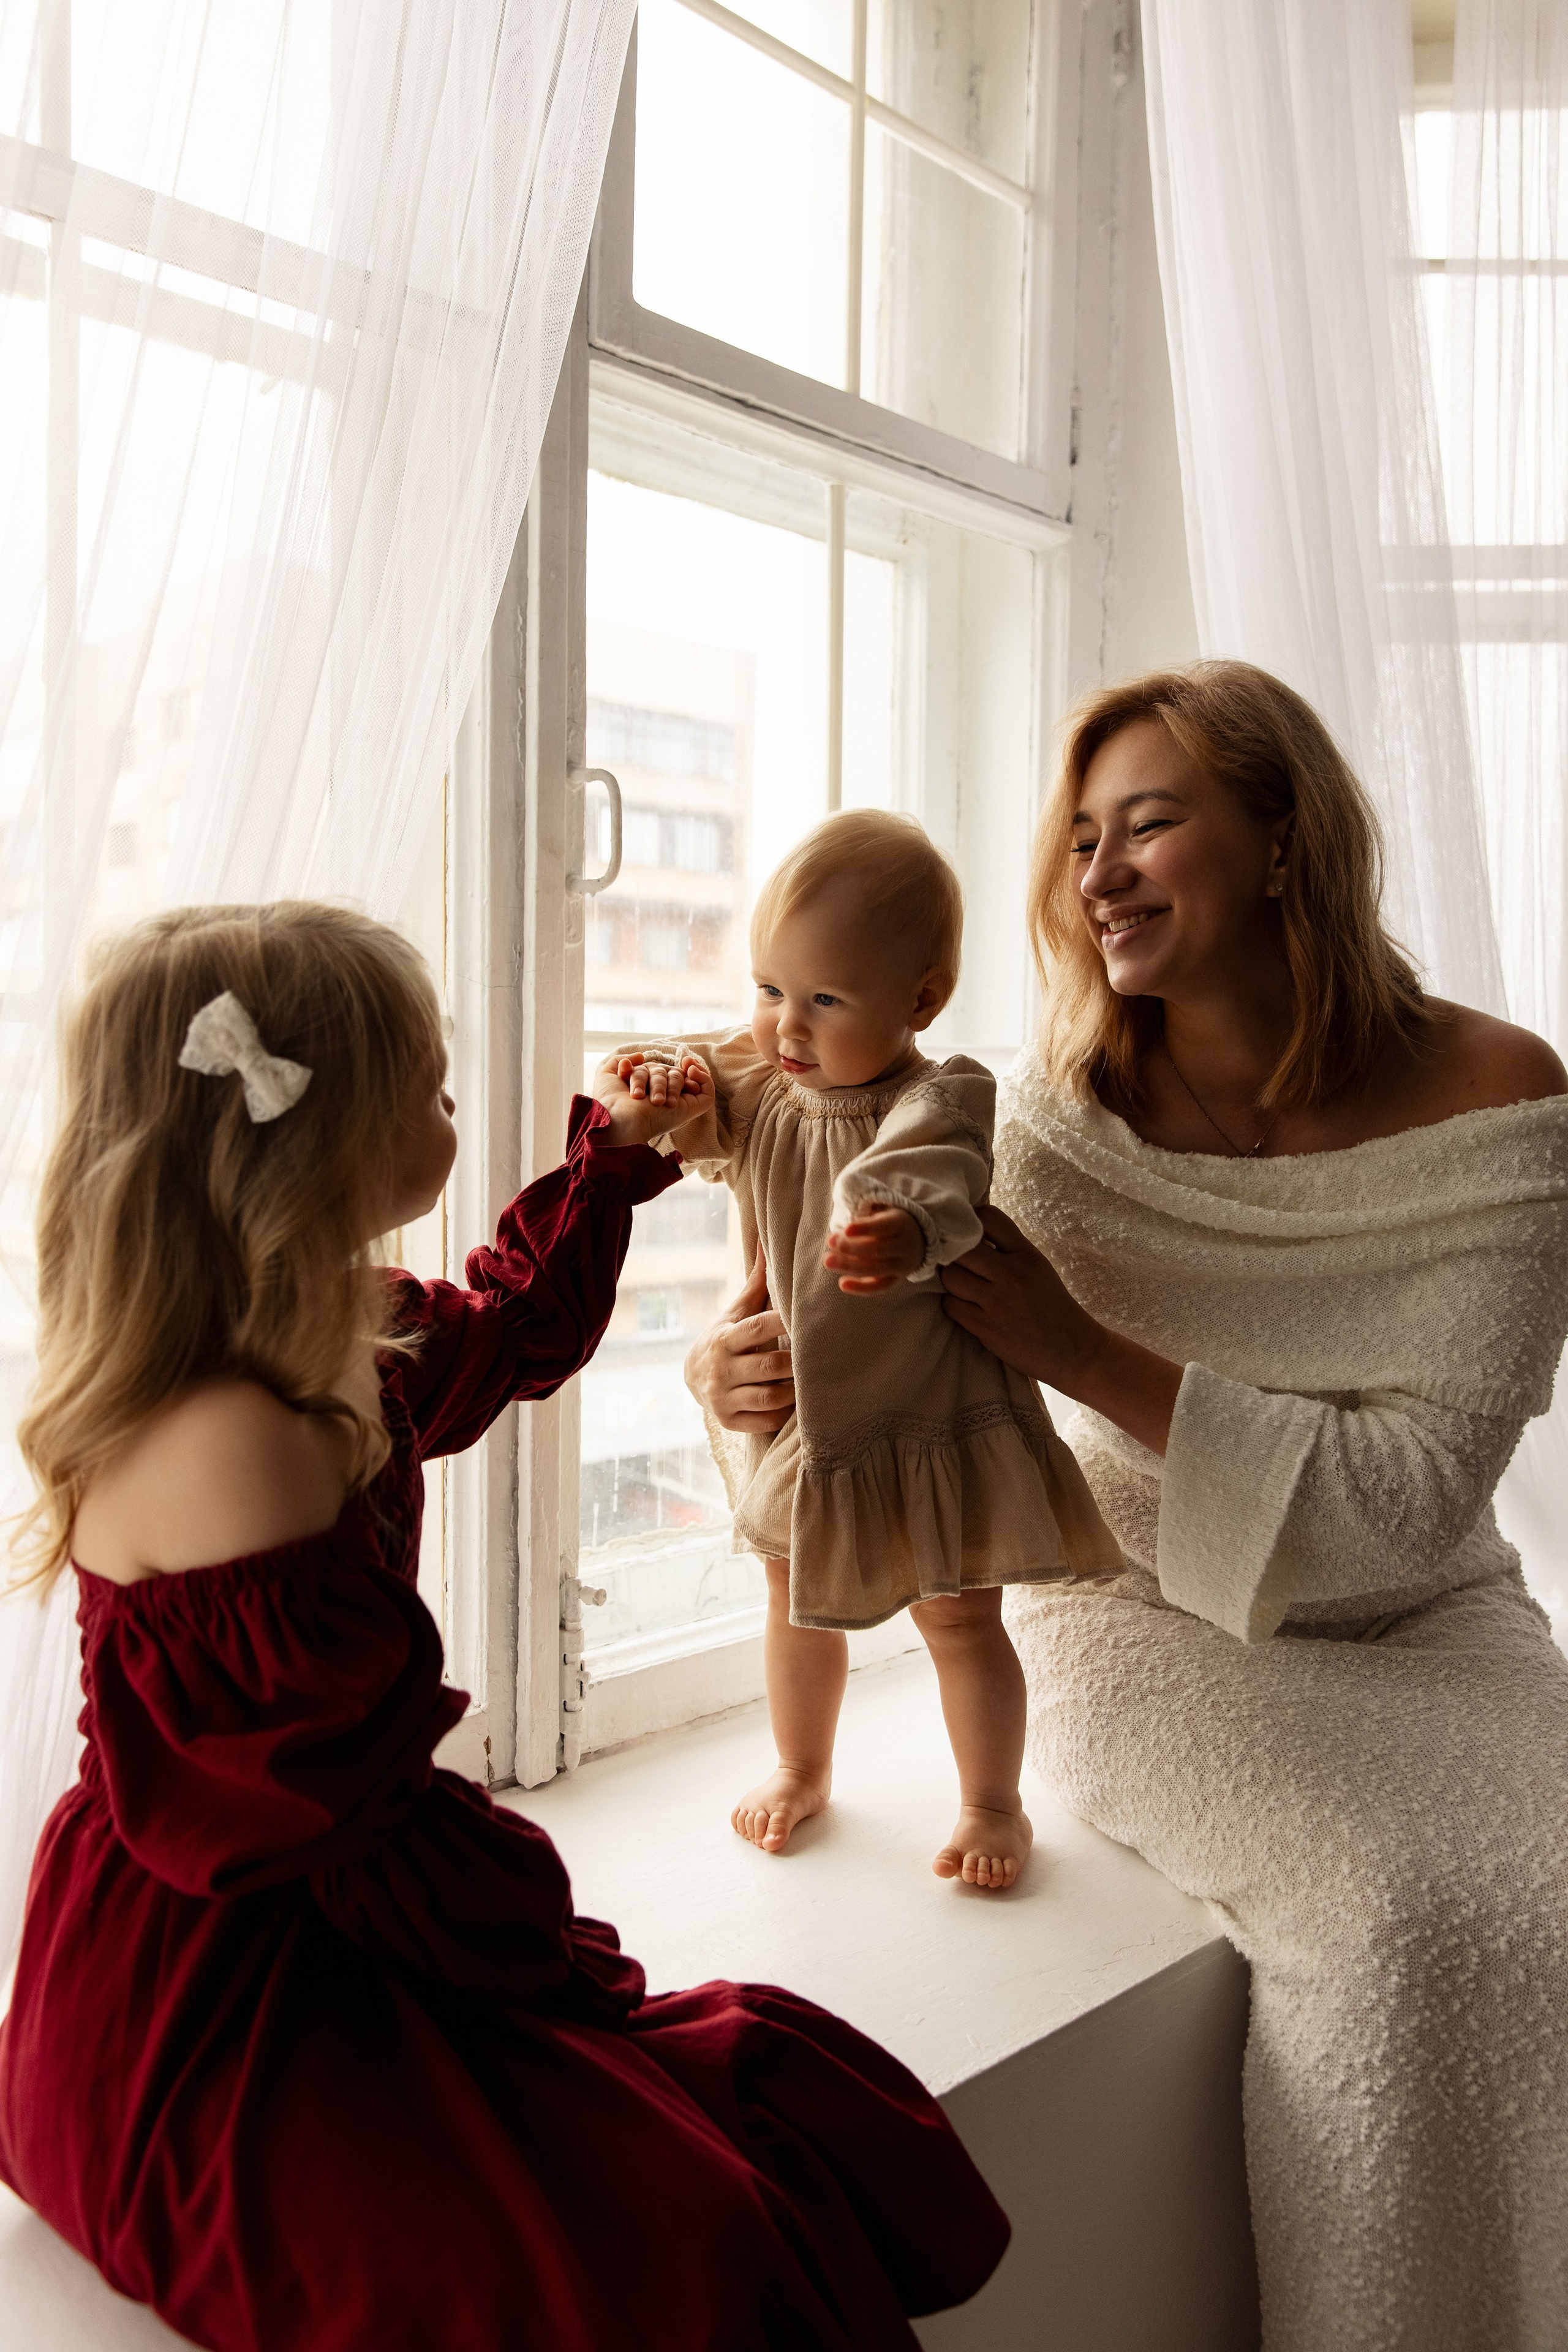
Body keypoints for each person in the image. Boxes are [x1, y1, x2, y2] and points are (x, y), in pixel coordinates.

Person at [686, 661, 1568, 2351]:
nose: (1097, 871)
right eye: (1080, 835)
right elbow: (853, 1343)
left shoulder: (1501, 1104)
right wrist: (738, 1387)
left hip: (1434, 1608)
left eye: (1150, 821)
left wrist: (1082, 1350)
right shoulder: (1044, 1123)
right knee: (1393, 1933)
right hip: (1136, 1601)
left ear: (1286, 841)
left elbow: (1407, 1506)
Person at [0, 901, 1009, 2352]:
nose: (450, 1103)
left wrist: (613, 1163)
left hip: (317, 1908)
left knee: (732, 2168)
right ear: (316, 1133)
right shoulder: (233, 1437)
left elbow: (511, 1329)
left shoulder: (329, 1335)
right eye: (425, 1082)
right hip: (221, 1998)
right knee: (666, 2255)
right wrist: (551, 1946)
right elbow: (340, 1813)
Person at [608, 810, 1116, 1891]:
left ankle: (993, 1801)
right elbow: (672, 1072)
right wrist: (655, 1077)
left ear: (920, 1000)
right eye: (767, 987)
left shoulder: (945, 1092)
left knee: (962, 1616)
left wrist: (891, 1222)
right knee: (792, 1595)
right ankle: (801, 1765)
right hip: (816, 1415)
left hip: (930, 1404)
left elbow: (928, 1172)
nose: (784, 1025)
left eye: (824, 999)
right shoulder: (761, 1079)